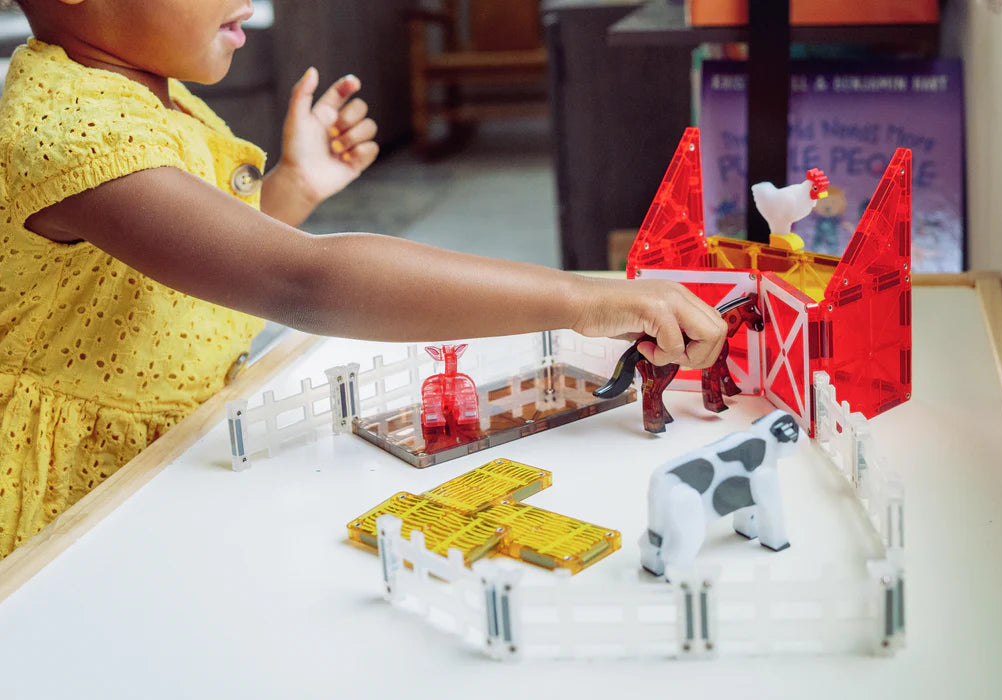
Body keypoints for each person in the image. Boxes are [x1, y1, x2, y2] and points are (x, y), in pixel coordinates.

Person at [0, 0, 728, 558]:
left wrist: (292, 188)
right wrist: (580, 298)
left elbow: (192, 268)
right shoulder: (67, 130)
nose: (248, 2)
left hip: (181, 444)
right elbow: (298, 280)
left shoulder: (150, 90)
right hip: (82, 493)